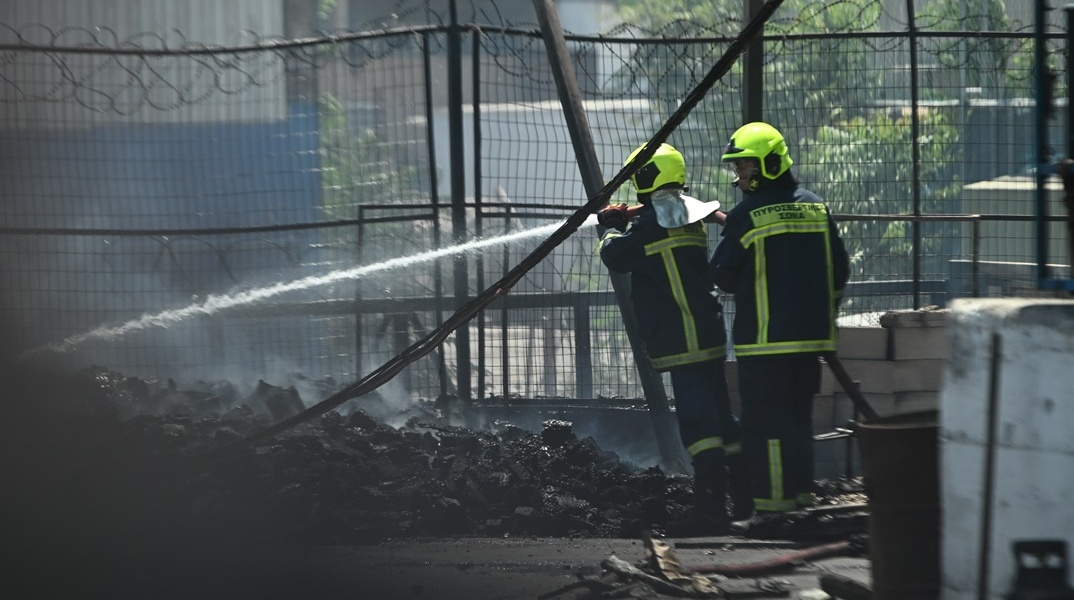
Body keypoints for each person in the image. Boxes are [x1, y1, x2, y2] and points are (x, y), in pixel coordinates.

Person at [597, 142, 752, 536]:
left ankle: (710, 513)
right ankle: (747, 502)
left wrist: (609, 227)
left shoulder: (652, 226)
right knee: (723, 421)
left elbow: (615, 255)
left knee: (698, 426)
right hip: (707, 335)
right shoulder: (685, 216)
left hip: (684, 341)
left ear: (645, 176)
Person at [709, 122, 850, 524]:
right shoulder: (816, 207)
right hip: (810, 342)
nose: (739, 175)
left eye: (745, 166)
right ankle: (799, 504)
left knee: (765, 427)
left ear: (769, 164)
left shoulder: (746, 215)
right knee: (798, 423)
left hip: (765, 343)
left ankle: (772, 513)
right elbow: (840, 270)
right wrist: (823, 318)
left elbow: (723, 276)